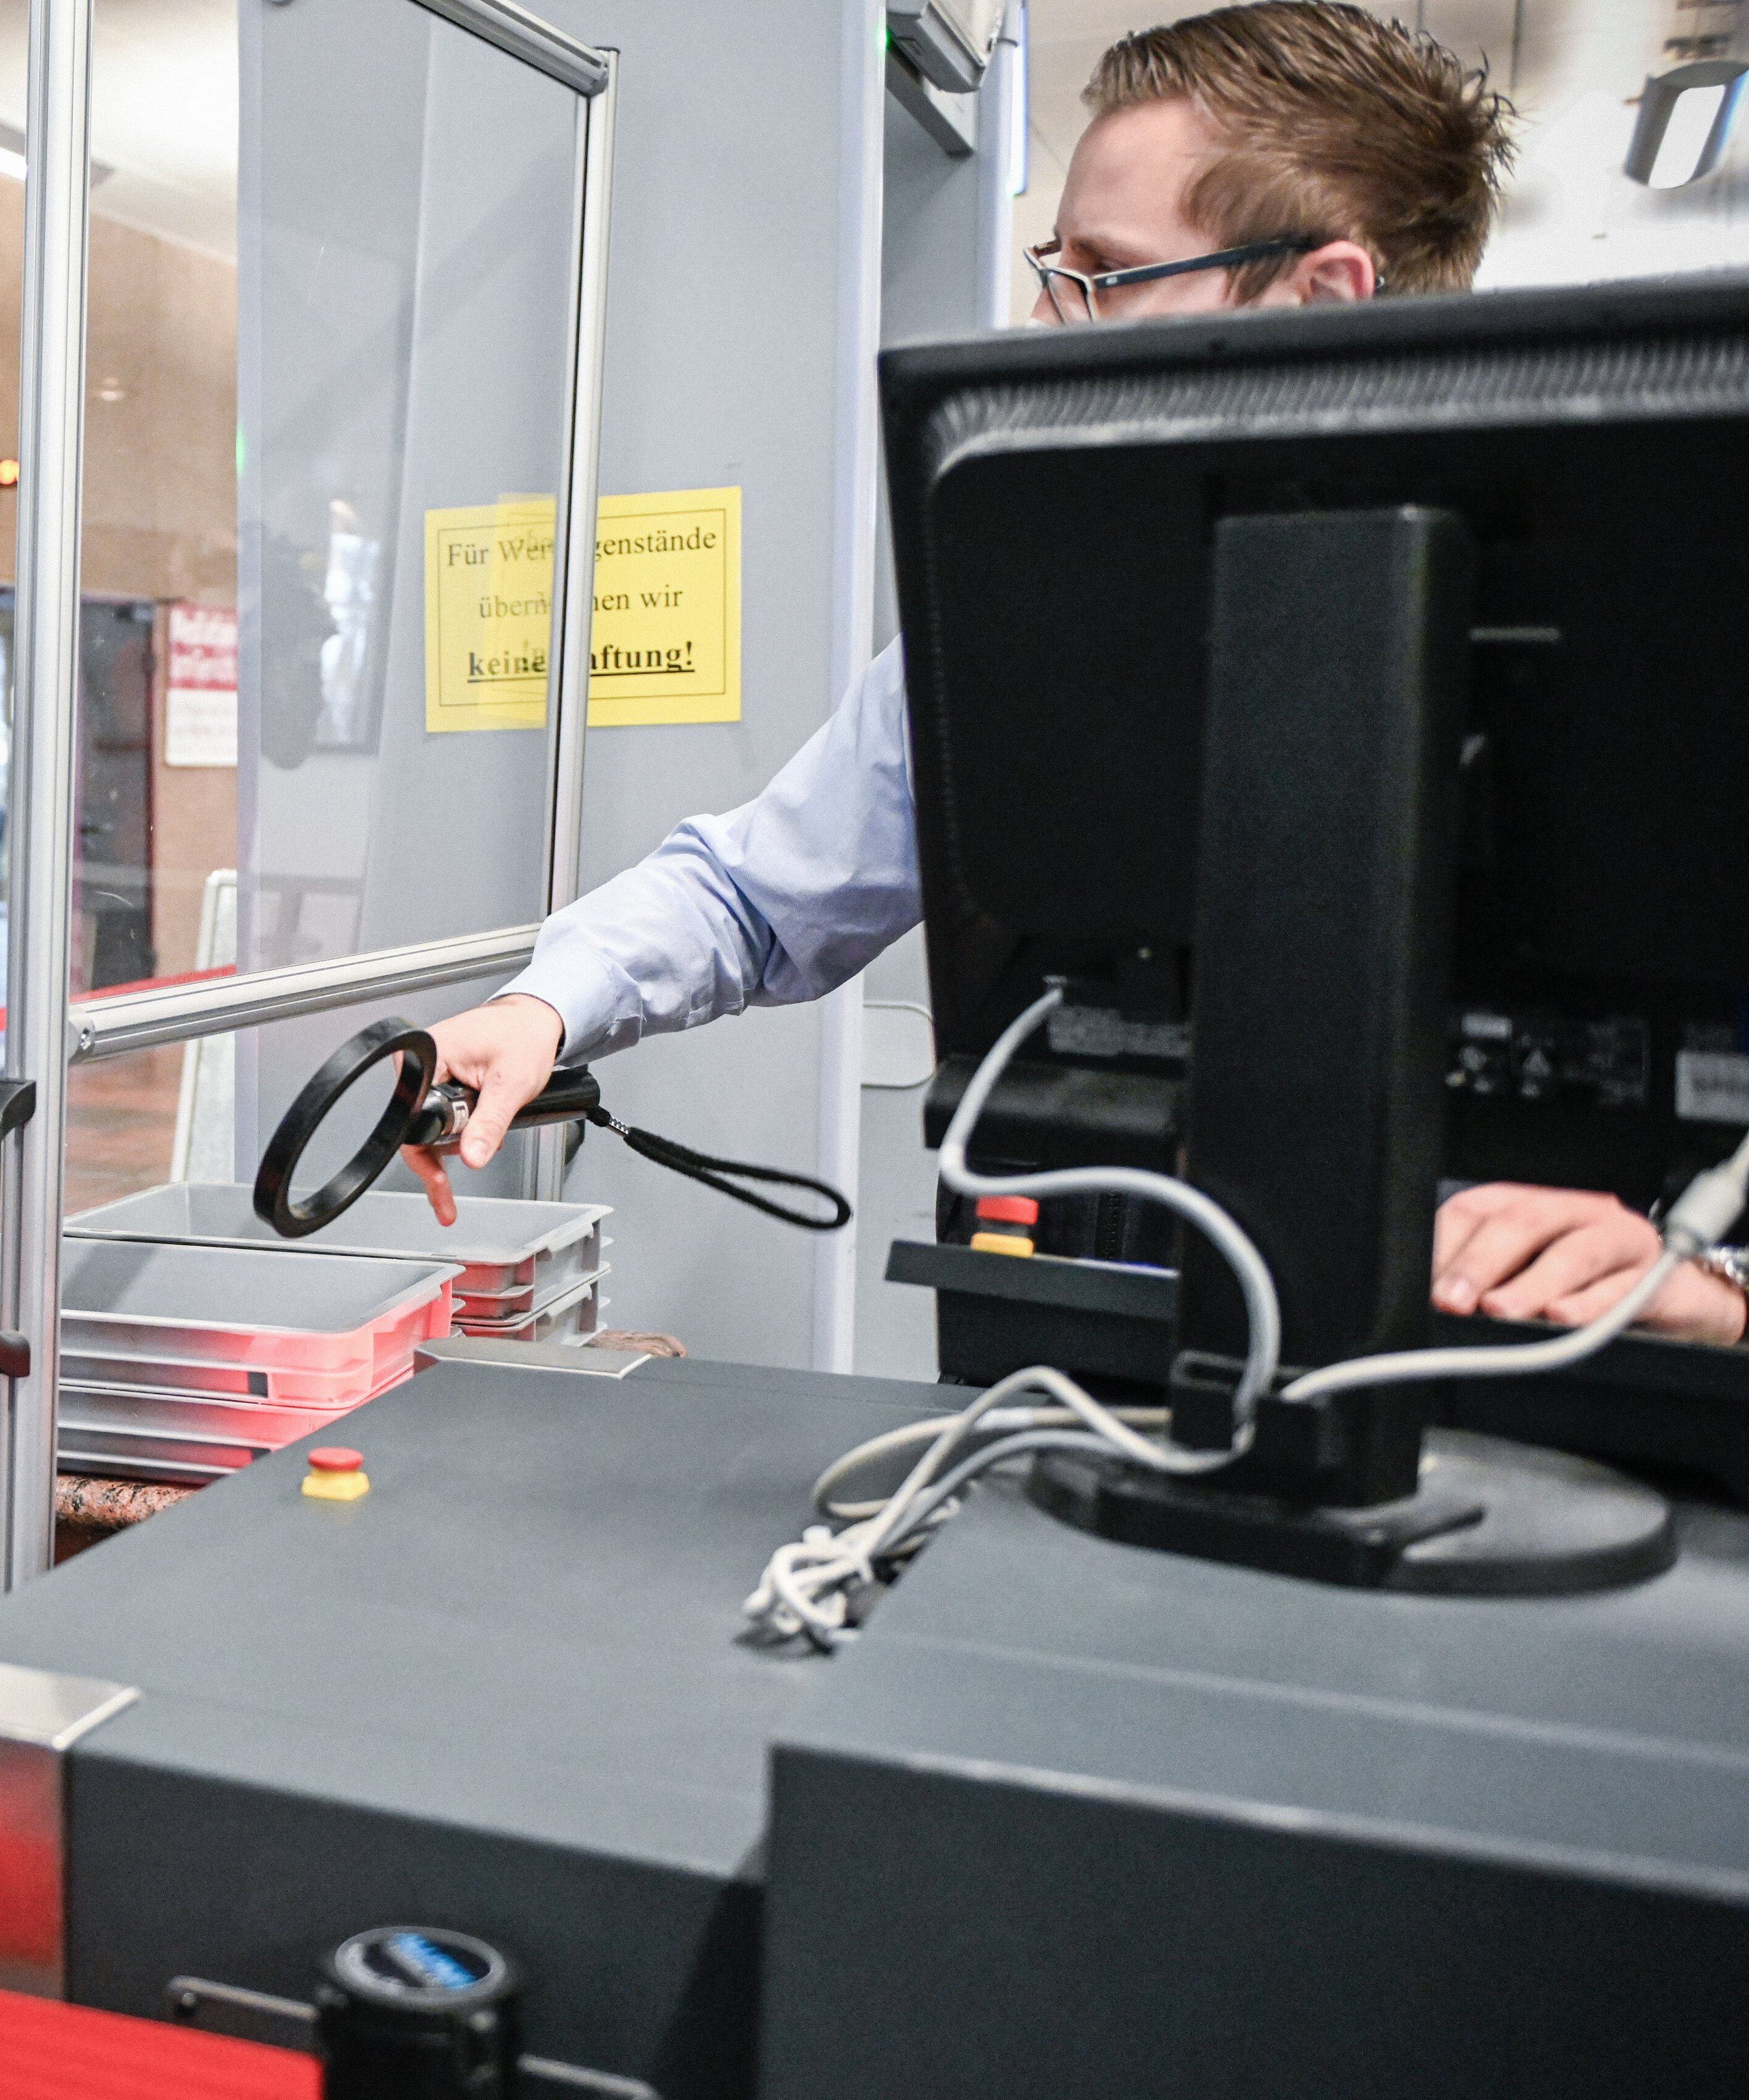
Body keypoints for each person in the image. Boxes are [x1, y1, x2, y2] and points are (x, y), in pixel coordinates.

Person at [410, 1, 1739, 1352]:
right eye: (1054, 264)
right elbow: (757, 893)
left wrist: (1721, 1282)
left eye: (1098, 273)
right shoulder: (1020, 608)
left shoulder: (1672, 617)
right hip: (1082, 1348)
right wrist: (544, 1004)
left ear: (1316, 295)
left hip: (1540, 1376)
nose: (1039, 322)